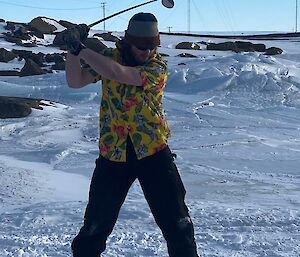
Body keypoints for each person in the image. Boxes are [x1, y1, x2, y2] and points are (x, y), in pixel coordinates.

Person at [63, 12, 199, 257]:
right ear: (127, 41)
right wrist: (72, 52)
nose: (147, 52)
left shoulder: (157, 66)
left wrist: (81, 49)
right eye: (141, 47)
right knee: (94, 227)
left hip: (153, 151)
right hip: (113, 154)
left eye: (151, 47)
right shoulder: (107, 58)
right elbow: (75, 81)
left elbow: (118, 74)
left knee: (178, 224)